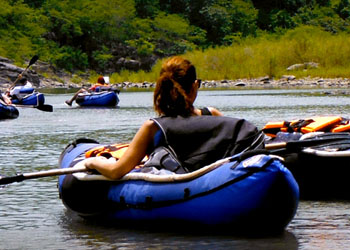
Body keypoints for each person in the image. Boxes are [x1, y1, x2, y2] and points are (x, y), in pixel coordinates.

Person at [83, 56, 245, 179]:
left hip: (183, 187)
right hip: (214, 184)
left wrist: (92, 162)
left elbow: (116, 171)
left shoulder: (153, 127)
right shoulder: (213, 115)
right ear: (195, 85)